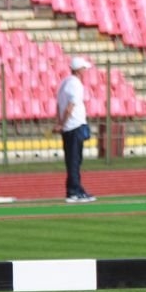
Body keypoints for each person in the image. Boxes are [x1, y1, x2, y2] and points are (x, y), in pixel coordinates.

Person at [54, 57, 97, 203]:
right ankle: (75, 191)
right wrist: (62, 123)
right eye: (84, 68)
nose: (85, 71)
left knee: (72, 160)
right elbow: (69, 107)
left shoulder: (64, 82)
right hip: (74, 125)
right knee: (74, 160)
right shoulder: (75, 84)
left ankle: (73, 189)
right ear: (79, 70)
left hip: (69, 126)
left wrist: (59, 123)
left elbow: (59, 105)